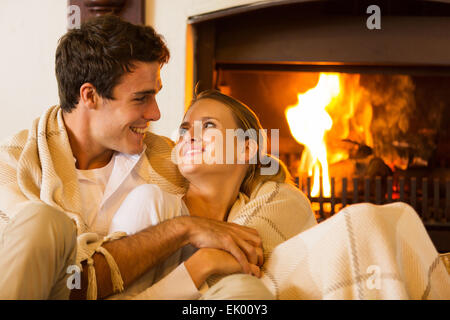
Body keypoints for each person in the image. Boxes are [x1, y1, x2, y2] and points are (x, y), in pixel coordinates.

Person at [0, 15, 303, 300]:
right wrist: (185, 228)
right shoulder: (16, 165)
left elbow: (254, 184)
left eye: (156, 94)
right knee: (43, 221)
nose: (156, 113)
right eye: (141, 98)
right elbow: (64, 280)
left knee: (244, 292)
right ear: (90, 96)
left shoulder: (169, 159)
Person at [105, 89, 317, 299]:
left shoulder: (262, 213)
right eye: (184, 130)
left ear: (246, 149)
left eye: (208, 125)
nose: (189, 137)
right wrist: (201, 265)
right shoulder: (152, 201)